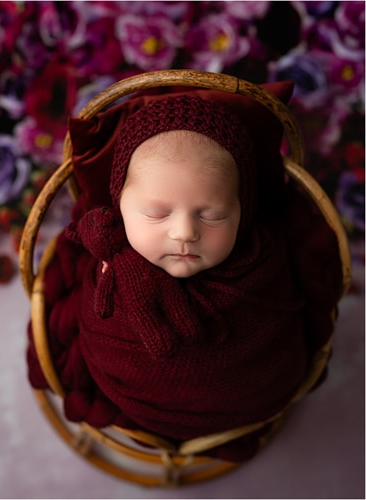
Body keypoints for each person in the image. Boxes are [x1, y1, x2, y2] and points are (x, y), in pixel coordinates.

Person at [36, 94, 321, 461]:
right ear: (119, 206)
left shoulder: (265, 261)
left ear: (243, 212)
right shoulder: (106, 261)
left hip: (250, 397)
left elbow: (280, 335)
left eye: (214, 215)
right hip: (132, 395)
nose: (185, 232)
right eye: (156, 214)